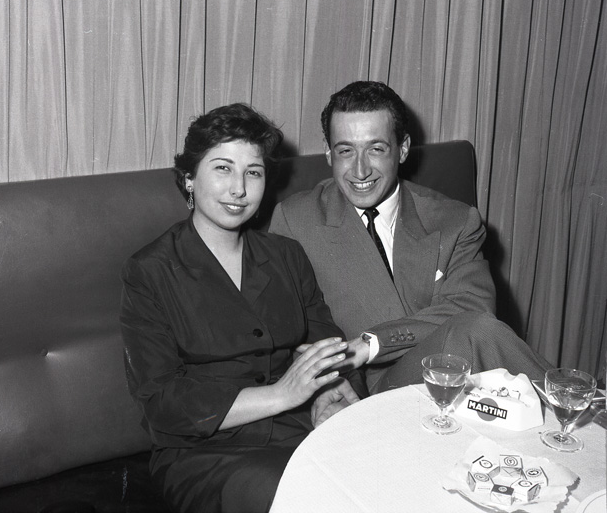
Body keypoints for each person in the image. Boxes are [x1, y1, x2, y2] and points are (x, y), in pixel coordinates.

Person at [120, 103, 366, 513]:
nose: (239, 189)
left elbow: (327, 344)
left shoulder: (286, 255)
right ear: (189, 178)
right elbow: (162, 403)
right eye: (222, 168)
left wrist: (329, 392)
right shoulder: (149, 271)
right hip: (205, 452)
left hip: (300, 428)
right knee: (307, 495)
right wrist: (281, 395)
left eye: (253, 172)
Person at [270, 81, 551, 394]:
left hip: (444, 375)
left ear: (403, 149)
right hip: (356, 390)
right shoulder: (297, 220)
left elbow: (474, 305)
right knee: (477, 331)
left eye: (376, 149)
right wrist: (328, 389)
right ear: (328, 152)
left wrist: (371, 343)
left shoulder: (455, 220)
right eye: (345, 151)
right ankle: (573, 402)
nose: (360, 171)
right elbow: (284, 334)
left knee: (476, 328)